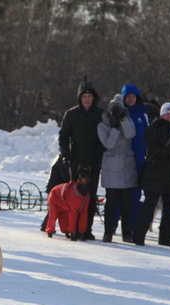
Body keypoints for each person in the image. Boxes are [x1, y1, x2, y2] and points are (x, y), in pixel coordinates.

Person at [53, 77, 104, 239]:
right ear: (80, 98)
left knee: (90, 196)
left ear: (94, 98)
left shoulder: (100, 114)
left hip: (93, 162)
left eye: (89, 97)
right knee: (73, 197)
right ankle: (72, 228)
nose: (87, 100)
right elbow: (63, 137)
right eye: (84, 97)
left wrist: (99, 156)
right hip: (75, 162)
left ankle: (86, 229)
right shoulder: (72, 114)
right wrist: (66, 157)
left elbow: (105, 138)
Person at [132, 102, 170, 246]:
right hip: (153, 172)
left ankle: (166, 238)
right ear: (162, 114)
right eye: (167, 113)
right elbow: (153, 149)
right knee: (149, 206)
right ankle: (138, 236)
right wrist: (169, 154)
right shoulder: (153, 128)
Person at [97, 94, 136, 243]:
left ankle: (127, 233)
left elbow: (131, 134)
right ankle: (108, 233)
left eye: (118, 110)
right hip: (111, 168)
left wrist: (123, 120)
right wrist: (114, 128)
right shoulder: (102, 125)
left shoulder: (128, 121)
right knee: (111, 204)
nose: (115, 113)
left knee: (127, 204)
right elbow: (108, 144)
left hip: (127, 166)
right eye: (113, 110)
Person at [121, 84, 149, 223]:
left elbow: (147, 135)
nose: (131, 99)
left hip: (139, 159)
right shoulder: (120, 112)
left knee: (135, 195)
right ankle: (113, 225)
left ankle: (133, 225)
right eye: (128, 96)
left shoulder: (142, 114)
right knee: (119, 194)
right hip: (122, 160)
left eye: (133, 96)